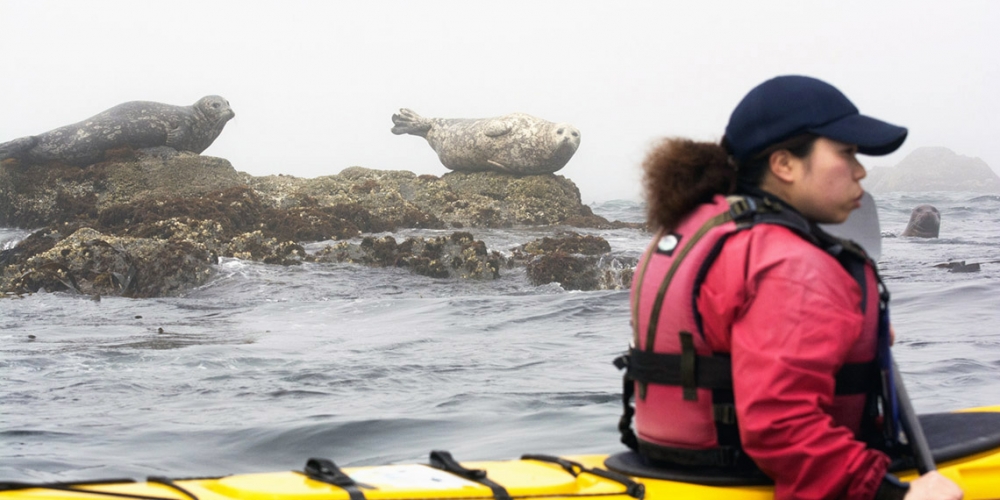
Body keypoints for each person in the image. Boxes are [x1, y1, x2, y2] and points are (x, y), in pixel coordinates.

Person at [621, 76, 963, 499]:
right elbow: (780, 424)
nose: (861, 170)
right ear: (783, 164)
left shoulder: (696, 228)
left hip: (673, 465)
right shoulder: (790, 263)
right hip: (751, 475)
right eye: (847, 152)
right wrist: (894, 495)